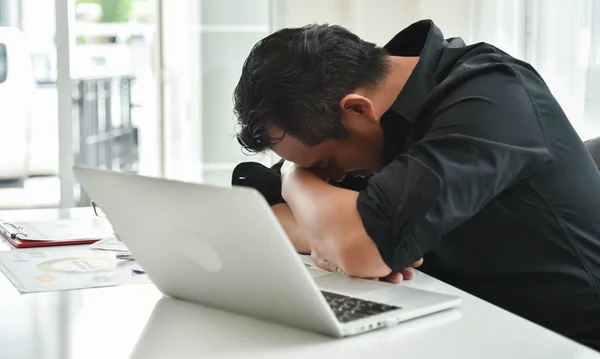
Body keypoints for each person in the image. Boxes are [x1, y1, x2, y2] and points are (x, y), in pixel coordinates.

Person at [231, 20, 600, 350]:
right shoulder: (366, 114)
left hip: (559, 340)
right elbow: (264, 215)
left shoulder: (491, 98)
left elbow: (363, 249)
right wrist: (328, 231)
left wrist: (296, 181)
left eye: (324, 165)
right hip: (459, 320)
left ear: (357, 110)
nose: (333, 177)